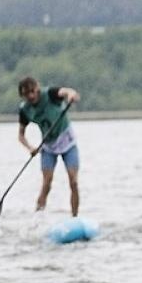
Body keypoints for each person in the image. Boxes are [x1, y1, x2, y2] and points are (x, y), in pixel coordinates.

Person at [17, 77, 83, 216]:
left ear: (37, 88)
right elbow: (21, 136)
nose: (31, 96)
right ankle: (37, 218)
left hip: (67, 142)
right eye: (26, 94)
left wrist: (71, 95)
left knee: (74, 182)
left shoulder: (51, 94)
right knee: (46, 183)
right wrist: (31, 148)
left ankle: (75, 217)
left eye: (33, 91)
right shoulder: (25, 110)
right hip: (48, 146)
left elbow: (66, 91)